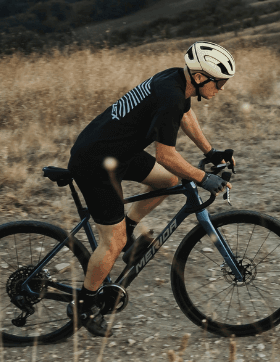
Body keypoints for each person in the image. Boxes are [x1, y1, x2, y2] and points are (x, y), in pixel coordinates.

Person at [65, 41, 236, 337]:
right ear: (199, 77)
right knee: (112, 242)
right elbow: (166, 156)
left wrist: (210, 152)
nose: (221, 89)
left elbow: (184, 114)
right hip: (95, 161)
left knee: (167, 182)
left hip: (117, 152)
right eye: (219, 82)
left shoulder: (175, 79)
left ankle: (128, 232)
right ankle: (85, 304)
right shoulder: (170, 93)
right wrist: (201, 177)